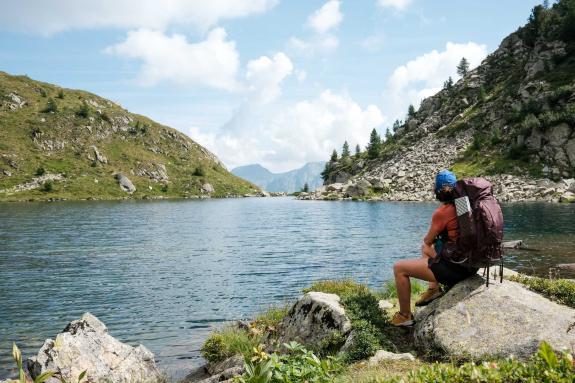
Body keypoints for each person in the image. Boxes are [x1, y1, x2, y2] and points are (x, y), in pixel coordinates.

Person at [390, 169, 478, 327]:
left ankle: (405, 316)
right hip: (472, 264)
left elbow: (428, 240)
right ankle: (433, 290)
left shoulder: (443, 212)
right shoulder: (467, 205)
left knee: (399, 268)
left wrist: (438, 234)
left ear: (438, 191)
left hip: (456, 269)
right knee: (425, 249)